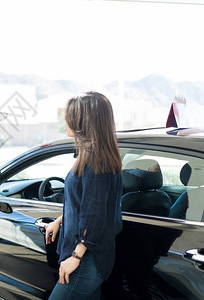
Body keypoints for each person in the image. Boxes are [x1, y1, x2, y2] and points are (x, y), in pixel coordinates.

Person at [45, 91, 123, 300]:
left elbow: (95, 217)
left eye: (70, 115)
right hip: (89, 256)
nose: (65, 119)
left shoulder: (95, 162)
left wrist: (76, 256)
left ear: (83, 121)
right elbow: (89, 205)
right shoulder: (97, 158)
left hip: (86, 258)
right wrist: (61, 220)